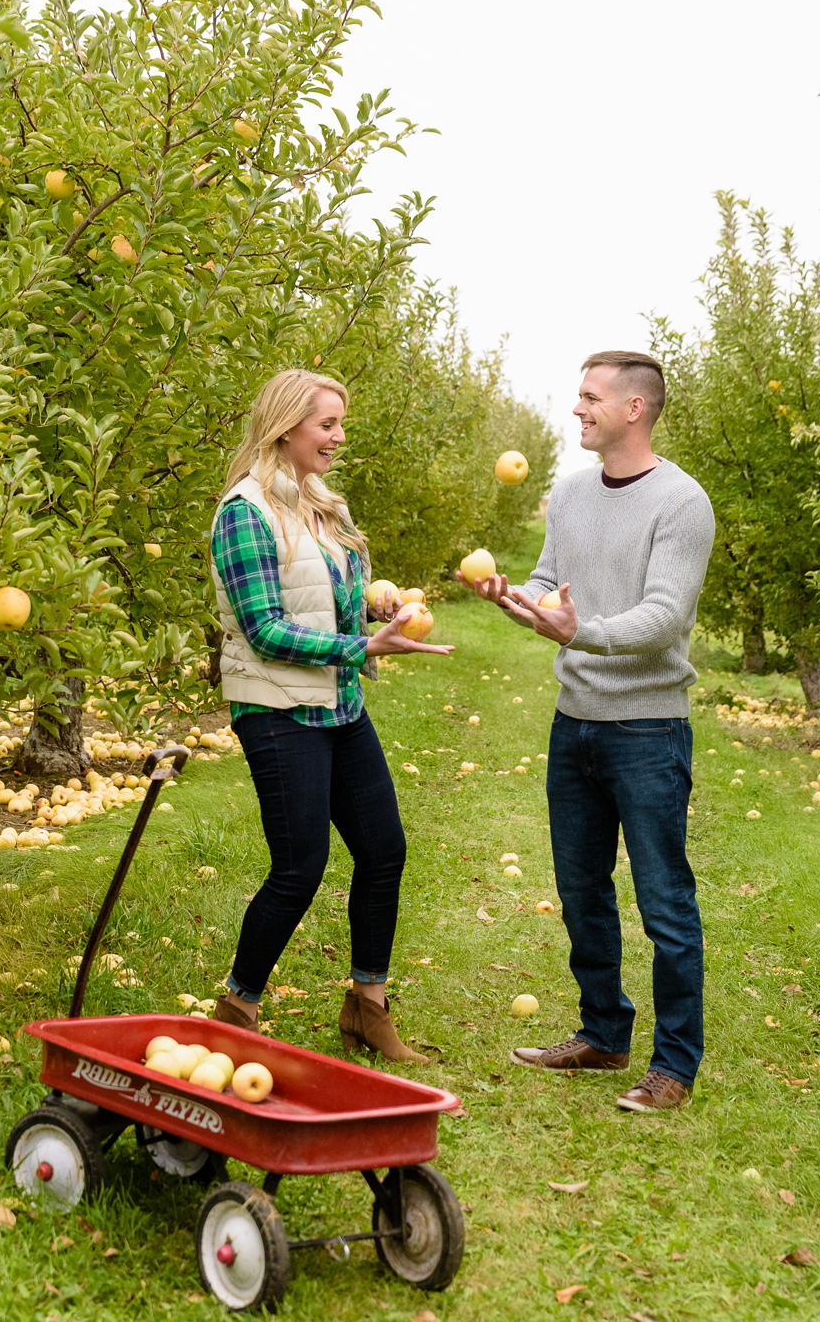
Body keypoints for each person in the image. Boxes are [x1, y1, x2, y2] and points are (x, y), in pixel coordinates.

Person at [463, 351, 715, 1111]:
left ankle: (673, 1063)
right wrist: (523, 601)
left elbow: (664, 614)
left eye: (590, 397)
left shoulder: (681, 502)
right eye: (577, 395)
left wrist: (581, 633)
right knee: (580, 888)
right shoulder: (569, 492)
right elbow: (550, 578)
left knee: (663, 898)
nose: (577, 409)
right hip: (575, 722)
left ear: (634, 408)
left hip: (647, 726)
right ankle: (604, 1032)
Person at [208, 369, 453, 1063]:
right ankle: (235, 1012)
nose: (339, 438)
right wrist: (361, 643)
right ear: (287, 425)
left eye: (340, 424)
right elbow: (264, 628)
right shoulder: (244, 511)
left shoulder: (319, 503)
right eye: (328, 425)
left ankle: (367, 1008)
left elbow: (324, 594)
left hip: (338, 704)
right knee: (300, 866)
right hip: (278, 708)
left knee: (384, 849)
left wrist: (373, 605)